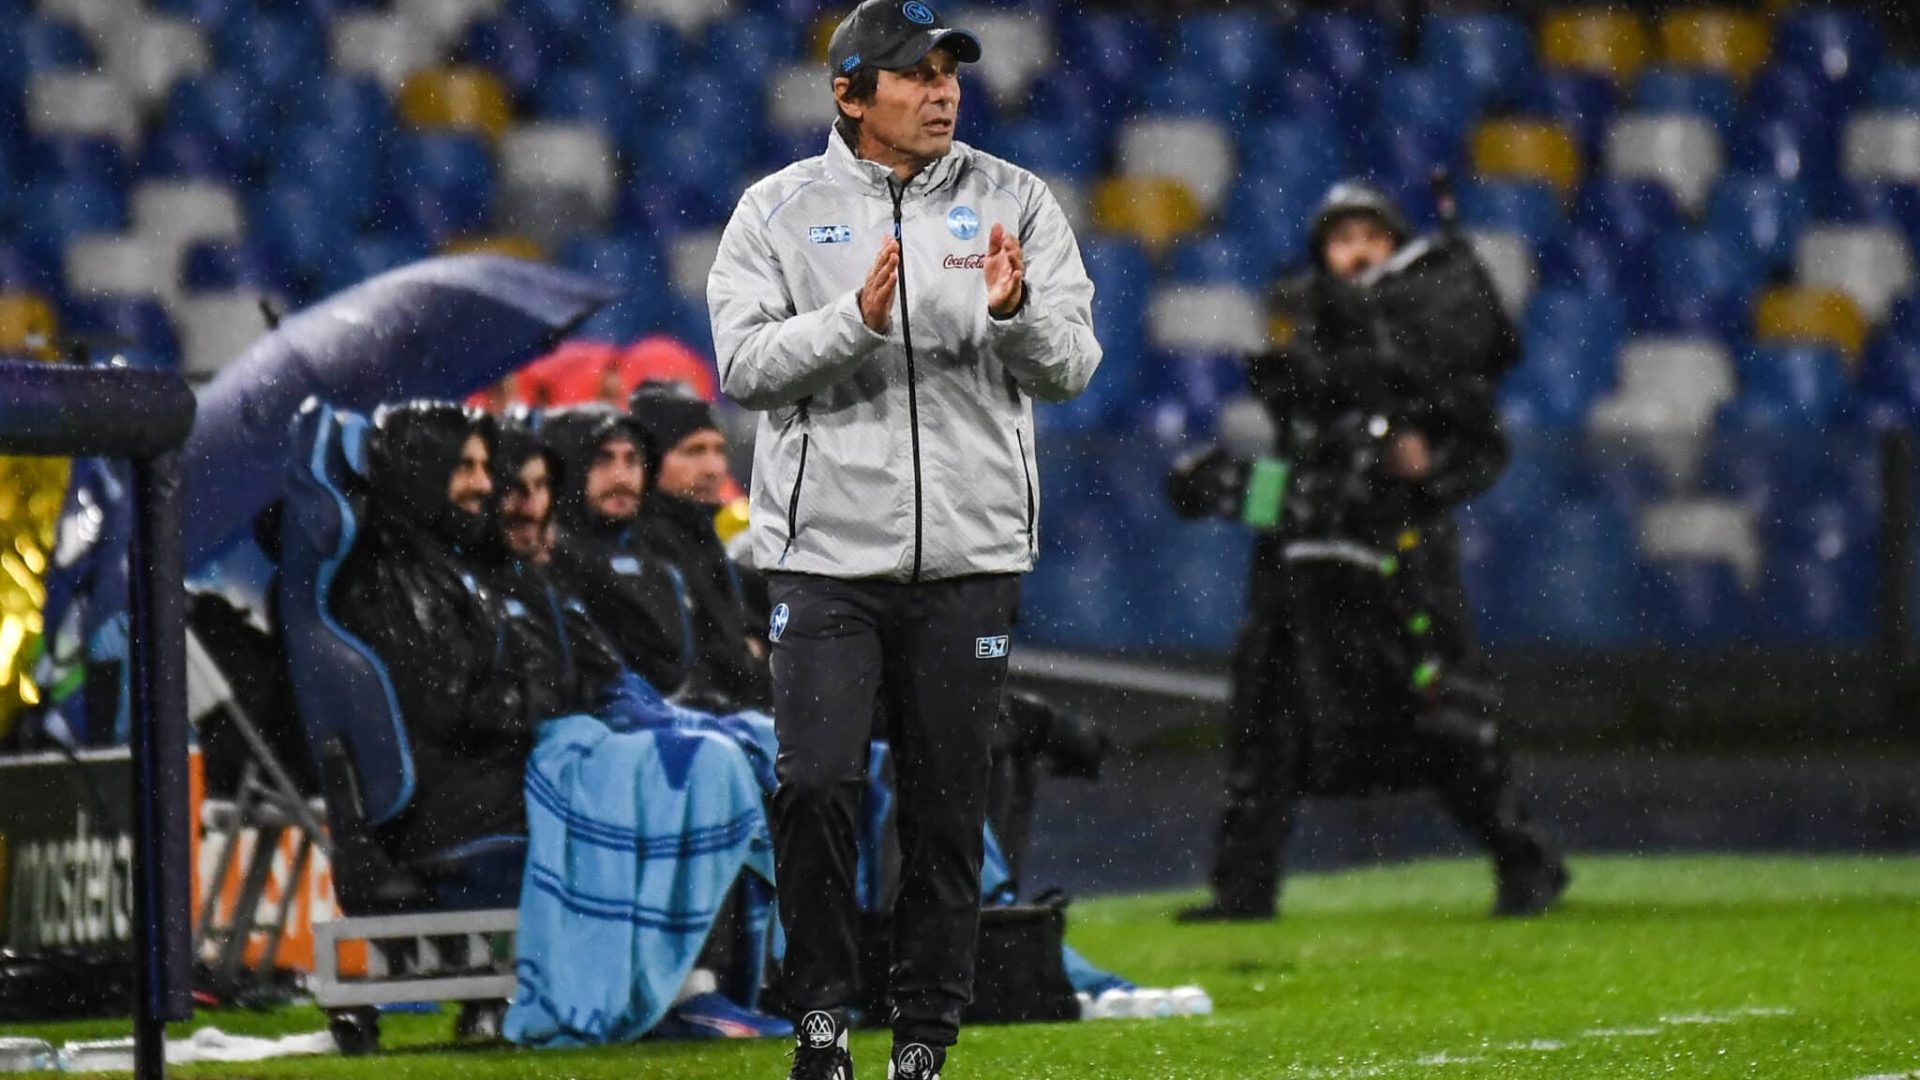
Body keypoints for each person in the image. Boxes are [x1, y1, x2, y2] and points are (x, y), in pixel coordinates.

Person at [707, 1, 1102, 1075]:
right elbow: (743, 366)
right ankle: (824, 1022)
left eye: (948, 73)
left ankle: (924, 1041)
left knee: (944, 813)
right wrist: (857, 323)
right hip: (825, 560)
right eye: (913, 75)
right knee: (818, 787)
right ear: (848, 94)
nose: (941, 93)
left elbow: (1073, 363)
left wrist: (1016, 314)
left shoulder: (1015, 198)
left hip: (970, 563)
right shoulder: (776, 212)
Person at [1168, 180, 1569, 925]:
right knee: (1269, 720)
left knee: (1442, 719)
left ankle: (1527, 862)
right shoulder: (1308, 339)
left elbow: (1482, 449)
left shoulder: (1426, 347)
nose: (1356, 252)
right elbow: (1305, 479)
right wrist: (1229, 488)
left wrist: (1423, 472)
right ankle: (1243, 890)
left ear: (1395, 248)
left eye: (1370, 237)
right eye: (1341, 239)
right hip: (1303, 559)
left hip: (1397, 559)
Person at [331, 402, 555, 871]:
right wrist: (543, 700)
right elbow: (452, 709)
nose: (485, 485)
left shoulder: (440, 563)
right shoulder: (384, 578)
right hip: (443, 812)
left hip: (476, 787)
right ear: (421, 470)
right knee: (611, 794)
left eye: (485, 467)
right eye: (464, 467)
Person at [630, 380, 771, 711]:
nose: (713, 468)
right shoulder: (645, 544)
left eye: (719, 450)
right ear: (650, 461)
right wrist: (746, 654)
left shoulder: (702, 534)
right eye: (693, 451)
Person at [541, 405, 693, 696]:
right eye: (602, 459)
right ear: (569, 466)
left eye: (632, 460)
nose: (621, 477)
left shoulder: (663, 553)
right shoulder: (544, 558)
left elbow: (675, 669)